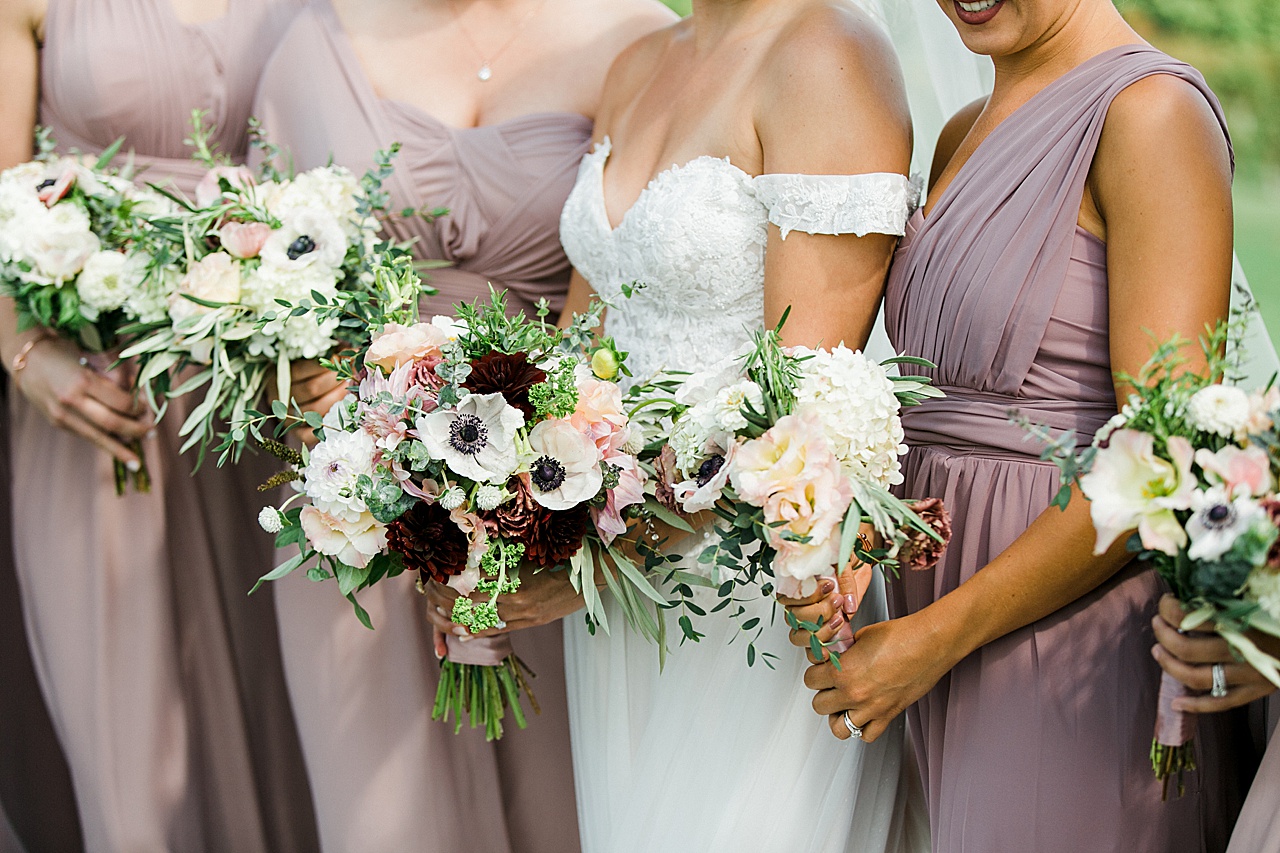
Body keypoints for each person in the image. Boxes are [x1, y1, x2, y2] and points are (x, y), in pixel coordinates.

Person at [427, 0, 931, 849]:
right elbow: (579, 354)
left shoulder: (828, 56)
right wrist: (493, 522)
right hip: (617, 594)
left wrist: (588, 566)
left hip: (748, 589)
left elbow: (802, 418)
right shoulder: (641, 59)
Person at [787, 0, 1245, 850]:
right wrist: (862, 543)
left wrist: (934, 637)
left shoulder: (1149, 115)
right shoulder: (962, 129)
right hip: (938, 614)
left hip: (1068, 627)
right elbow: (940, 405)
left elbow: (1164, 449)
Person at [250, 0, 673, 850]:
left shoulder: (638, 39)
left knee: (569, 803)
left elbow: (669, 284)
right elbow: (263, 271)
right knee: (385, 813)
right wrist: (304, 387)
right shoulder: (315, 44)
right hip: (360, 511)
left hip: (558, 512)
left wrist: (533, 486)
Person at [0, 1, 319, 850]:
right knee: (133, 724)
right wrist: (24, 351)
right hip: (104, 400)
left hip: (269, 396)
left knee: (292, 710)